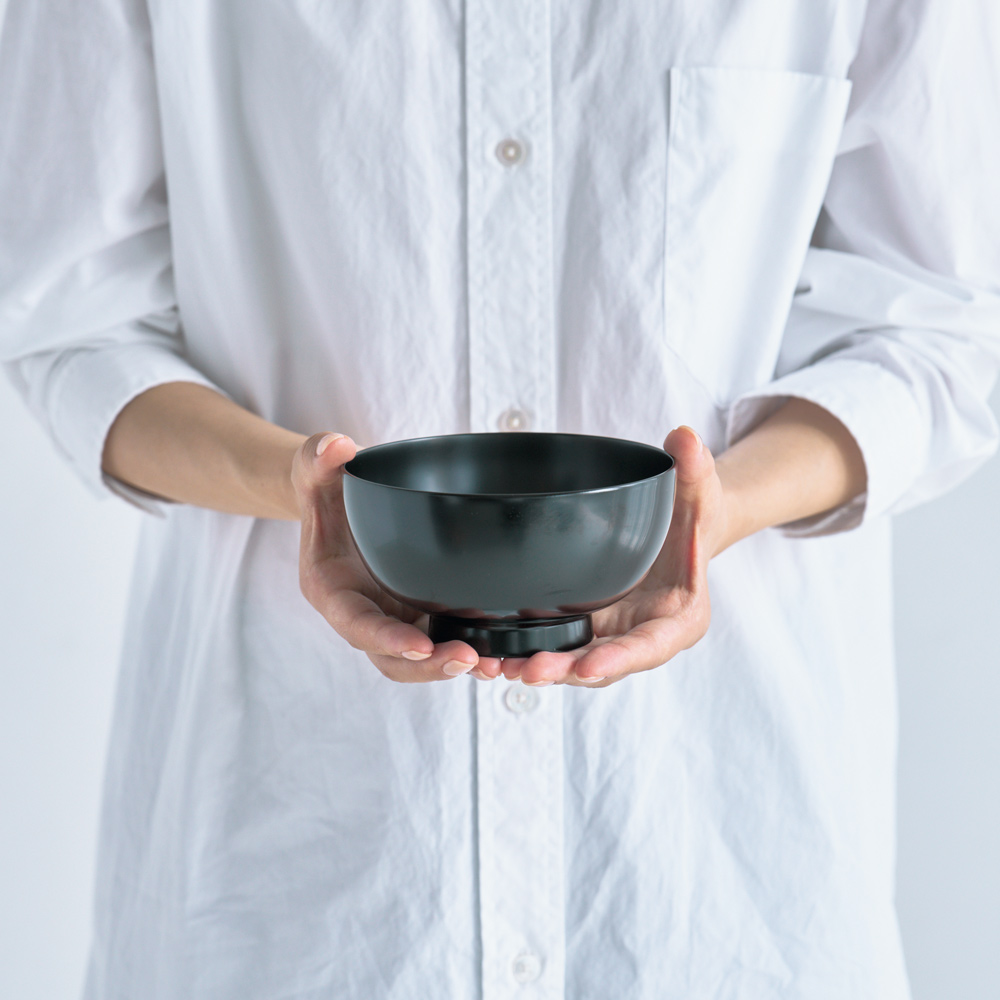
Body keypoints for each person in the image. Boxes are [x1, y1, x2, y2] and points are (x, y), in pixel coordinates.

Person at [2, 1, 999, 997]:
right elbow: (71, 318)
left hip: (719, 872)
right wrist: (302, 486)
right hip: (291, 858)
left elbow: (943, 325)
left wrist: (716, 507)